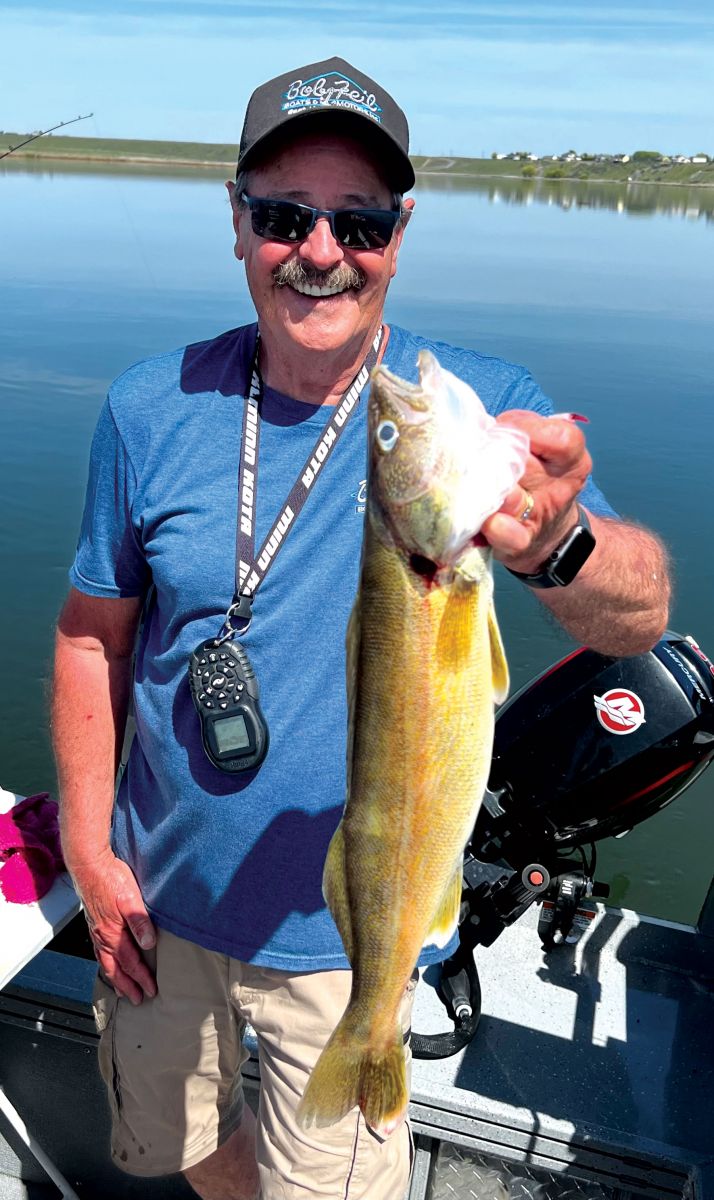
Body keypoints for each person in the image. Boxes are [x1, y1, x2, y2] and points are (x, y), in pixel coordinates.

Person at [52, 57, 670, 1200]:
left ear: (401, 231)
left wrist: (557, 543)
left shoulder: (482, 417)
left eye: (360, 221)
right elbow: (92, 638)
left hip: (347, 944)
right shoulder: (147, 407)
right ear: (236, 225)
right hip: (155, 915)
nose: (321, 250)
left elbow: (643, 609)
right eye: (285, 215)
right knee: (181, 1150)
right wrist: (91, 852)